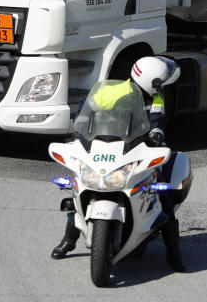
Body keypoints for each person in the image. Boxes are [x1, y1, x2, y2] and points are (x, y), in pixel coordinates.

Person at [52, 56, 187, 272]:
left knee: (163, 197)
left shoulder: (155, 99)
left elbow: (157, 121)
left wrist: (157, 134)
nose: (161, 88)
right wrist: (78, 131)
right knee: (78, 188)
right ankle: (68, 241)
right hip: (103, 147)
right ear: (150, 82)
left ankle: (174, 255)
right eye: (158, 83)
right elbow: (84, 111)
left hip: (134, 149)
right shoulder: (111, 91)